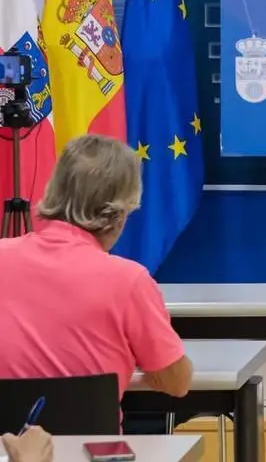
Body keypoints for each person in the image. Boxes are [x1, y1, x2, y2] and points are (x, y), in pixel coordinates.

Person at [0, 134, 193, 415]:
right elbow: (177, 382)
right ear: (121, 213)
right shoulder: (128, 281)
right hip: (90, 452)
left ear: (54, 190)